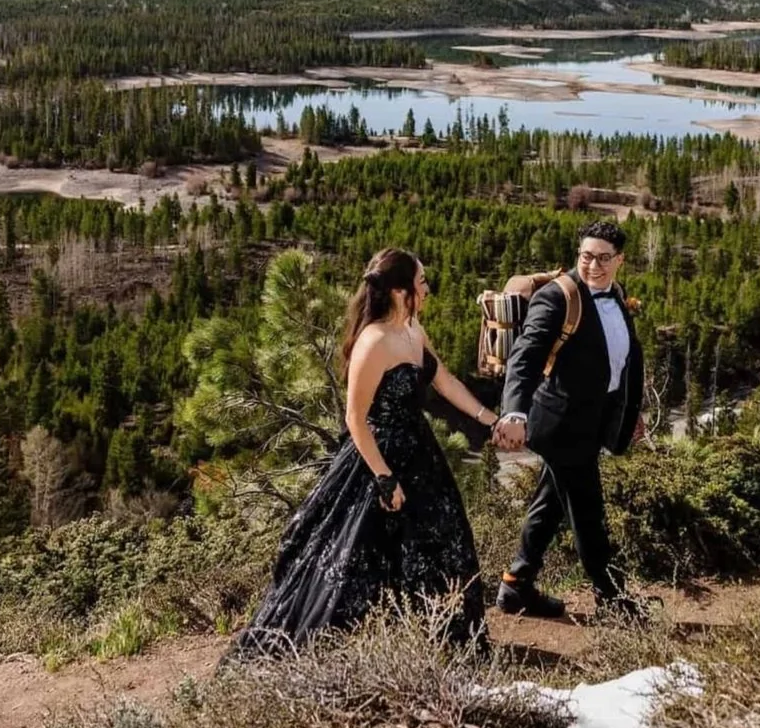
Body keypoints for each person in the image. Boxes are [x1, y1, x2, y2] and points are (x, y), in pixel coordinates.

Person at [227, 248, 499, 659]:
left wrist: (488, 418)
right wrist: (383, 477)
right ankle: (351, 651)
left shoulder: (411, 330)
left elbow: (444, 380)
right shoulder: (373, 342)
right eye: (420, 282)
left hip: (420, 454)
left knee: (443, 540)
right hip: (378, 457)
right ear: (398, 291)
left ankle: (444, 642)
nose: (426, 288)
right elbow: (355, 419)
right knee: (358, 558)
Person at [493, 219, 648, 621]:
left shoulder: (617, 294)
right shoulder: (557, 297)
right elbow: (525, 357)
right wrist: (514, 411)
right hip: (560, 425)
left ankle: (515, 585)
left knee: (550, 505)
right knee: (588, 512)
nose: (592, 265)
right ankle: (612, 599)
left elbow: (623, 363)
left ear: (620, 260)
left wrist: (632, 412)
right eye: (585, 256)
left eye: (602, 258)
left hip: (594, 422)